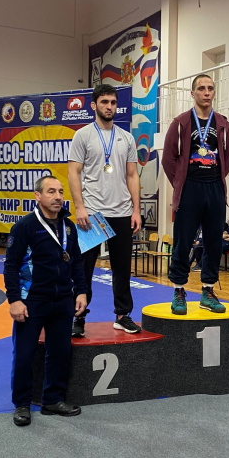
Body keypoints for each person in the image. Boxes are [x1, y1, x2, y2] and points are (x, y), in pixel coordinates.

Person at [3, 176, 87, 427]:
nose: (58, 197)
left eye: (60, 191)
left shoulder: (69, 227)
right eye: (51, 191)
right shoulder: (25, 227)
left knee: (60, 352)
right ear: (37, 196)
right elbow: (11, 265)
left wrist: (81, 291)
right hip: (32, 301)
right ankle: (22, 403)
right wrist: (14, 300)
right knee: (25, 355)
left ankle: (53, 399)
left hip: (62, 300)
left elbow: (76, 261)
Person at [68, 84, 141, 336]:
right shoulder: (83, 136)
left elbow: (132, 175)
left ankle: (122, 315)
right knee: (83, 268)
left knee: (122, 267)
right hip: (92, 212)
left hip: (122, 211)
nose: (109, 107)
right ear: (94, 105)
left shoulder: (126, 138)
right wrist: (80, 207)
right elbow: (74, 172)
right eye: (104, 102)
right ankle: (79, 316)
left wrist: (136, 210)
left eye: (113, 102)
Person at [162, 73, 229, 315]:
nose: (206, 92)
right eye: (201, 88)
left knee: (213, 242)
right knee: (183, 241)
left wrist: (215, 178)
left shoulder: (222, 123)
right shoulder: (181, 122)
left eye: (210, 88)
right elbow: (168, 158)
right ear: (193, 94)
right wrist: (180, 183)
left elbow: (227, 157)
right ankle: (179, 290)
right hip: (189, 187)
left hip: (214, 187)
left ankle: (208, 291)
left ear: (214, 93)